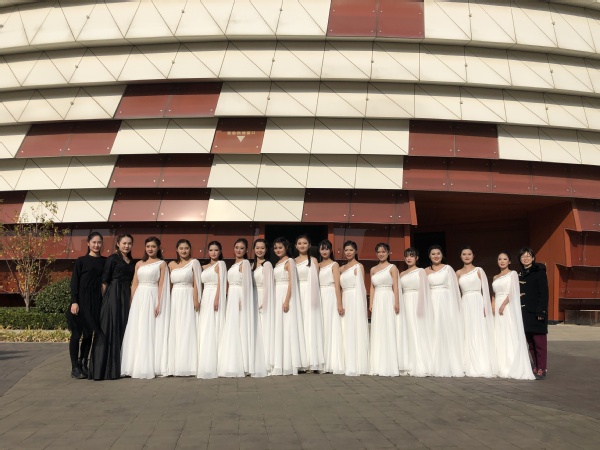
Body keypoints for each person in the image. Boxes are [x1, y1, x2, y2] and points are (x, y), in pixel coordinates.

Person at [121, 237, 170, 379]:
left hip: (152, 296)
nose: (150, 249)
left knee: (149, 328)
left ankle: (149, 365)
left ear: (158, 248)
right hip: (139, 298)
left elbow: (162, 285)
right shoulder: (139, 264)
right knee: (137, 328)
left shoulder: (162, 264)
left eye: (153, 246)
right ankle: (133, 364)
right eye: (148, 246)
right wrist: (132, 301)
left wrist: (159, 302)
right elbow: (134, 284)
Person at [218, 238, 267, 378]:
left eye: (242, 248)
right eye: (237, 247)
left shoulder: (245, 263)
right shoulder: (233, 265)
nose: (238, 250)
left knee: (240, 328)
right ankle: (231, 362)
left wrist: (243, 300)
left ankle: (243, 363)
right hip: (232, 296)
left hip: (239, 297)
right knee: (232, 327)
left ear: (246, 250)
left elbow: (247, 283)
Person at [89, 234, 135, 380]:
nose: (126, 246)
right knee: (110, 329)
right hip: (113, 296)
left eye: (129, 243)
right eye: (124, 243)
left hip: (126, 296)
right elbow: (104, 281)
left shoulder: (133, 262)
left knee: (123, 328)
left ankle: (121, 367)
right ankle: (104, 370)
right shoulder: (112, 259)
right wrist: (103, 301)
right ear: (118, 244)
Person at [67, 232, 106, 379]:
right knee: (77, 334)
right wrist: (74, 301)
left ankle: (83, 363)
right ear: (88, 243)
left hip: (95, 302)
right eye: (94, 242)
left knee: (89, 334)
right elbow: (74, 282)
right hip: (80, 303)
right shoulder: (81, 261)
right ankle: (74, 367)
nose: (96, 245)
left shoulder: (104, 261)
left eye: (99, 242)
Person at [492, 252, 535, 380]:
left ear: (509, 261)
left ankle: (511, 363)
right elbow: (493, 293)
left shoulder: (513, 274)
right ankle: (499, 363)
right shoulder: (495, 277)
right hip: (497, 305)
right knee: (498, 333)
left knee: (509, 332)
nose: (502, 261)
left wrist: (503, 305)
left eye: (505, 259)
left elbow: (513, 291)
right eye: (500, 259)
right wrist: (493, 304)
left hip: (507, 306)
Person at [456, 246, 497, 378]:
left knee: (478, 330)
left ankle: (481, 362)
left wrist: (486, 305)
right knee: (466, 331)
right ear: (460, 256)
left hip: (477, 301)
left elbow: (485, 289)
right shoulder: (458, 273)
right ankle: (466, 362)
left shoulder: (479, 270)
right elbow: (455, 292)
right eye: (464, 254)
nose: (467, 256)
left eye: (469, 254)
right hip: (464, 302)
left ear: (473, 256)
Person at [426, 245, 464, 377]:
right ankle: (433, 362)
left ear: (442, 255)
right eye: (433, 254)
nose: (436, 256)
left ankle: (449, 362)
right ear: (429, 256)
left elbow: (454, 289)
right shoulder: (425, 271)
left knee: (446, 329)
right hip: (431, 301)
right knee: (433, 329)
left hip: (445, 301)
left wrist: (454, 306)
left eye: (438, 253)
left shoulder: (448, 269)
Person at [271, 237, 307, 375]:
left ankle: (288, 362)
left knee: (287, 327)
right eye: (275, 248)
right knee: (280, 327)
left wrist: (286, 300)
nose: (278, 250)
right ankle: (279, 360)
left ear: (286, 248)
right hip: (277, 294)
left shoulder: (289, 261)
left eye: (280, 247)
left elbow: (292, 282)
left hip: (285, 295)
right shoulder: (277, 263)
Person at [167, 239, 201, 377]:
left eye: (186, 248)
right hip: (175, 297)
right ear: (177, 249)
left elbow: (197, 283)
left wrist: (196, 300)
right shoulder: (171, 264)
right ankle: (175, 364)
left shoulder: (194, 262)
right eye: (181, 248)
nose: (184, 251)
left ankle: (188, 364)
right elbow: (168, 285)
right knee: (175, 328)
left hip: (188, 296)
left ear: (190, 249)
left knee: (187, 328)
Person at [399, 248, 433, 377]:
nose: (409, 258)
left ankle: (420, 362)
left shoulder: (421, 271)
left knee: (418, 331)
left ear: (417, 258)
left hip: (417, 302)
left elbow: (424, 290)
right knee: (407, 331)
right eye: (407, 256)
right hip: (405, 302)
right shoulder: (402, 274)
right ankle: (406, 362)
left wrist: (421, 306)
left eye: (412, 256)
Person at [369, 243, 402, 377]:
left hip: (388, 298)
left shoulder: (392, 267)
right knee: (378, 328)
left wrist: (397, 302)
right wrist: (371, 303)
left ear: (388, 253)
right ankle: (377, 363)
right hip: (378, 299)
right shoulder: (373, 269)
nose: (381, 254)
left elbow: (396, 286)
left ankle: (389, 363)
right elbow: (372, 287)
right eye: (378, 252)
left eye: (383, 251)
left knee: (389, 327)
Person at [196, 241, 226, 379]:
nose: (214, 253)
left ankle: (216, 362)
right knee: (205, 326)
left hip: (215, 296)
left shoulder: (221, 264)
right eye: (211, 250)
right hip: (205, 297)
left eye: (216, 250)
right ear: (208, 251)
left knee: (214, 326)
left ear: (220, 251)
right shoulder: (203, 267)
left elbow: (221, 283)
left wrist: (217, 299)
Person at [295, 235, 325, 373]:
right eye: (299, 243)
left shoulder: (313, 260)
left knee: (310, 325)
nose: (302, 245)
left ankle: (311, 361)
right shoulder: (292, 261)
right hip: (297, 294)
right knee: (299, 325)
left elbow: (316, 280)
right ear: (296, 246)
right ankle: (299, 361)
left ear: (309, 245)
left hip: (309, 294)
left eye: (305, 243)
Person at [339, 241, 369, 376]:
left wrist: (361, 306)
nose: (348, 252)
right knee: (344, 329)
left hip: (354, 299)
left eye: (351, 250)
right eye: (346, 250)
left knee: (353, 328)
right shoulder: (341, 268)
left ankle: (356, 362)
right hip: (344, 298)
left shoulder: (359, 266)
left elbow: (361, 288)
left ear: (356, 251)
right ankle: (344, 361)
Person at [518, 247, 549, 380]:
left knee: (539, 342)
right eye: (523, 256)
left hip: (537, 312)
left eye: (528, 256)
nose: (525, 258)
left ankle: (542, 368)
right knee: (530, 342)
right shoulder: (519, 274)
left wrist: (541, 310)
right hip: (525, 313)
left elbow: (544, 293)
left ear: (533, 258)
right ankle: (535, 365)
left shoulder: (539, 272)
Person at [318, 239, 345, 374]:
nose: (324, 251)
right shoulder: (317, 265)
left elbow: (337, 285)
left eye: (327, 249)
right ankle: (321, 361)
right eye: (322, 249)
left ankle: (331, 362)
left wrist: (339, 303)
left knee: (330, 326)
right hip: (319, 296)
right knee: (321, 327)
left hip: (330, 295)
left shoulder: (334, 265)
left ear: (331, 250)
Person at [252, 238, 274, 372]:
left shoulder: (267, 265)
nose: (259, 250)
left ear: (266, 250)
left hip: (262, 297)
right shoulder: (251, 265)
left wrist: (264, 302)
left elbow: (268, 285)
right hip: (253, 297)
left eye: (262, 248)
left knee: (263, 328)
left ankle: (264, 361)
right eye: (257, 248)